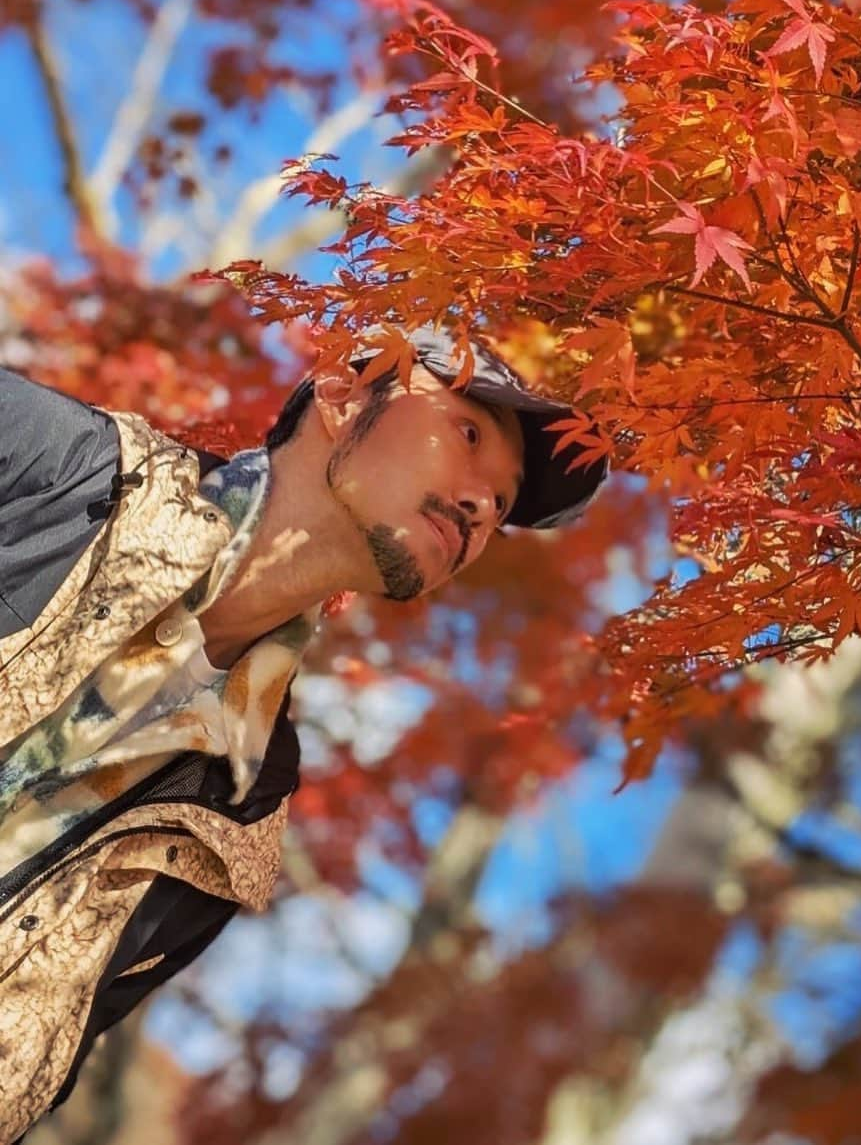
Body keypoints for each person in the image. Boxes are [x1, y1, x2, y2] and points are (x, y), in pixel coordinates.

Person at [0, 325, 607, 1141]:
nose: (479, 508)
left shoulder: (240, 812)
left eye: (501, 506)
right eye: (468, 435)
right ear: (340, 395)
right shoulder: (58, 469)